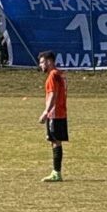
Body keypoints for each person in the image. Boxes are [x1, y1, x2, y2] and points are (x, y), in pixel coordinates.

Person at [37, 50, 68, 183]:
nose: (41, 65)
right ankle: (56, 172)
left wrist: (46, 112)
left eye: (42, 62)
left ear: (49, 61)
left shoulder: (52, 76)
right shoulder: (60, 73)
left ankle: (56, 173)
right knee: (55, 141)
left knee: (55, 141)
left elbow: (52, 95)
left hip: (54, 113)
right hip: (61, 111)